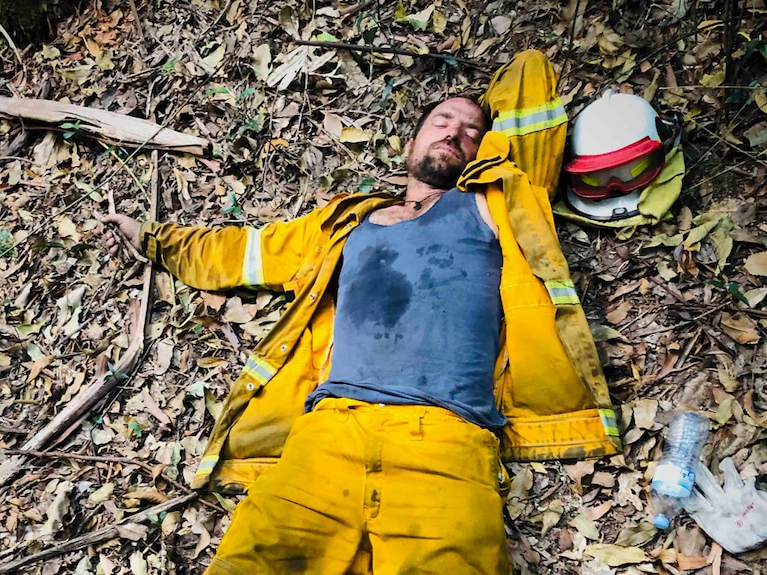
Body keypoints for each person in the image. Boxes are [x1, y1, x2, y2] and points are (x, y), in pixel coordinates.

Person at [101, 50, 622, 575]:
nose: (454, 133)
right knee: (247, 563)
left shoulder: (497, 204)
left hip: (446, 439)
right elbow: (243, 252)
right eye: (441, 121)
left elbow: (530, 74)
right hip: (327, 434)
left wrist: (480, 121)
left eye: (471, 130)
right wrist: (155, 240)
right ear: (410, 143)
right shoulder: (346, 223)